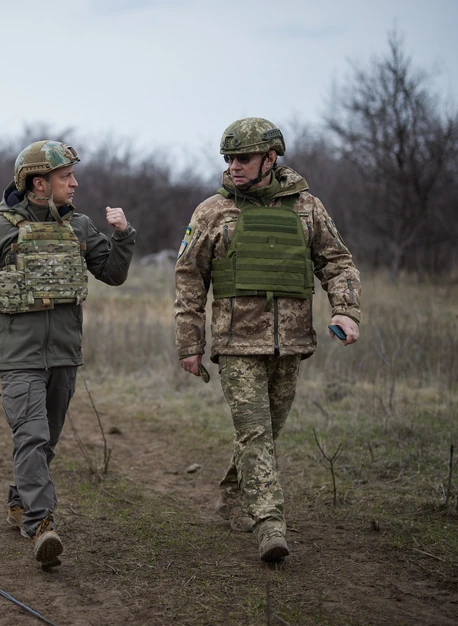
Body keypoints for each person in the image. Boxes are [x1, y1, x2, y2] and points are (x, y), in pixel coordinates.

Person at [0, 140, 136, 569]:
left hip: (63, 354)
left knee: (46, 439)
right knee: (32, 435)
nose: (74, 184)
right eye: (65, 177)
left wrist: (123, 236)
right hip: (18, 356)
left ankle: (21, 500)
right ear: (39, 183)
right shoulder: (0, 229)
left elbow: (112, 274)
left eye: (72, 176)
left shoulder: (79, 227)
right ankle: (41, 524)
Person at [174, 118, 361, 563]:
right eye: (229, 158)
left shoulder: (307, 209)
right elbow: (188, 279)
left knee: (268, 432)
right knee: (255, 432)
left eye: (243, 158)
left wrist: (345, 309)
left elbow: (337, 262)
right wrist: (189, 343)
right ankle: (270, 525)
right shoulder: (212, 212)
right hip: (236, 344)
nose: (234, 166)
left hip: (291, 343)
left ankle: (233, 495)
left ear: (271, 159)